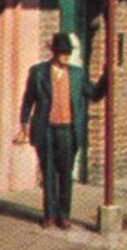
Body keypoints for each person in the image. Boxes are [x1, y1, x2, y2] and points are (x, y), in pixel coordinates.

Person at [19, 32, 106, 229]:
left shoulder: (77, 74)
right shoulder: (39, 72)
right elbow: (28, 100)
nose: (66, 56)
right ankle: (49, 215)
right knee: (48, 173)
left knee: (66, 174)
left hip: (68, 130)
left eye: (68, 52)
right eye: (62, 52)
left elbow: (93, 94)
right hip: (46, 129)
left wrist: (106, 78)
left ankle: (64, 215)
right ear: (54, 52)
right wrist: (23, 124)